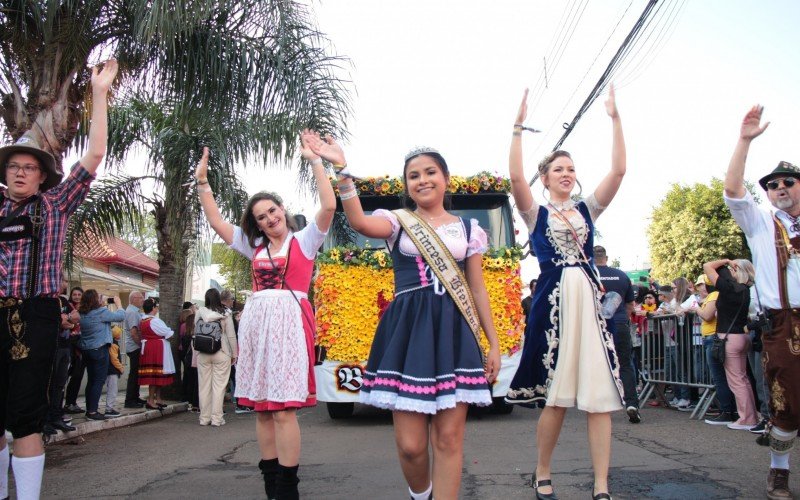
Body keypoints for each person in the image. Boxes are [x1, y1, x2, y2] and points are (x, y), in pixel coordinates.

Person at [307, 133, 502, 500]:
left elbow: (477, 289)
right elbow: (361, 224)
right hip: (409, 330)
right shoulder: (397, 221)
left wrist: (492, 343)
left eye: (430, 172)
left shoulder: (469, 230)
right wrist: (342, 169)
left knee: (448, 439)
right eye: (414, 175)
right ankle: (421, 495)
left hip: (454, 331)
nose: (423, 179)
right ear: (408, 186)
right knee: (411, 445)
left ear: (445, 178)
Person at [196, 131, 334, 500]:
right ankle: (271, 485)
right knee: (262, 409)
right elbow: (216, 223)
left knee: (285, 410)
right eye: (261, 216)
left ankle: (288, 489)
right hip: (258, 324)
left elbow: (329, 206)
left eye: (273, 210)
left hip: (290, 322)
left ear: (282, 210)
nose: (270, 218)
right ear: (256, 224)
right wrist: (203, 184)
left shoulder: (304, 240)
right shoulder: (253, 246)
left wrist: (316, 161)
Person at [0, 59, 116, 500]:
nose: (19, 172)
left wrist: (99, 95)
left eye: (29, 167)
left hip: (35, 314)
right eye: (13, 166)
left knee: (26, 414)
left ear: (42, 175)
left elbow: (94, 156)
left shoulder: (55, 205)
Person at [504, 85, 626, 500]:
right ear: (546, 178)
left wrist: (614, 119)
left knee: (600, 397)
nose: (566, 173)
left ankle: (602, 484)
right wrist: (518, 128)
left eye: (571, 168)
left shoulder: (588, 209)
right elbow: (516, 177)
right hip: (554, 303)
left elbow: (620, 172)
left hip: (588, 304)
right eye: (558, 169)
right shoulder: (536, 212)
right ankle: (541, 469)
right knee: (555, 399)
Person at [722, 105, 800, 500]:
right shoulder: (760, 221)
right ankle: (779, 472)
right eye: (772, 185)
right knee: (787, 403)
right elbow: (734, 188)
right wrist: (745, 140)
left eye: (788, 181)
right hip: (783, 324)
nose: (780, 188)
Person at [703, 258, 758, 431]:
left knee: (737, 381)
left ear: (737, 271)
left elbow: (707, 266)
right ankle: (751, 415)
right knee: (744, 379)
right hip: (742, 336)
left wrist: (726, 260)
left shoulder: (728, 289)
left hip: (729, 337)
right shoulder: (746, 290)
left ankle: (747, 418)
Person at [595, 246, 638, 424]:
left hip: (596, 326)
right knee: (625, 363)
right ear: (606, 257)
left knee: (597, 364)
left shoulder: (589, 274)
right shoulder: (621, 275)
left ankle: (599, 405)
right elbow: (630, 305)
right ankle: (631, 403)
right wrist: (622, 320)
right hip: (619, 323)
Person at [77, 290, 126, 421]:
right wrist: (119, 304)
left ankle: (90, 409)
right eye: (99, 297)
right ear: (95, 300)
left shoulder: (82, 313)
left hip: (87, 349)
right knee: (98, 381)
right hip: (100, 349)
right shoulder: (101, 312)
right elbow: (120, 316)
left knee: (91, 381)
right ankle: (93, 412)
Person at [196, 289, 238, 427]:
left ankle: (204, 418)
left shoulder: (200, 312)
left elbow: (194, 332)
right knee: (219, 387)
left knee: (204, 386)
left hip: (203, 353)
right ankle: (217, 418)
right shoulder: (225, 314)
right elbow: (231, 336)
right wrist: (234, 354)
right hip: (222, 351)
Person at [44, 280, 78, 435]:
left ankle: (56, 416)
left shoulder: (64, 301)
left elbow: (76, 318)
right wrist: (66, 321)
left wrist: (67, 321)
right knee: (48, 384)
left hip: (65, 346)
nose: (63, 283)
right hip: (51, 346)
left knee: (60, 383)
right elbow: (59, 322)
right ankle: (44, 419)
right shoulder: (46, 301)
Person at [138, 298, 175, 409]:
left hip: (150, 347)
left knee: (157, 374)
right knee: (154, 375)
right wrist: (168, 333)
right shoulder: (154, 321)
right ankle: (151, 400)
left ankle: (157, 398)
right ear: (153, 308)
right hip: (156, 349)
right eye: (156, 306)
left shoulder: (143, 320)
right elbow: (167, 333)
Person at [64, 286, 87, 414]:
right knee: (65, 375)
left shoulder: (86, 309)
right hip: (70, 344)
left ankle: (72, 402)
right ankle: (63, 403)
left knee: (78, 375)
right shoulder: (67, 307)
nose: (77, 297)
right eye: (75, 294)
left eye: (79, 294)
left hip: (82, 345)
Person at [123, 291, 146, 408]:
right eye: (141, 298)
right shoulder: (132, 312)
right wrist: (140, 344)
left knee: (137, 374)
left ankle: (135, 397)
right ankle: (130, 400)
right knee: (134, 374)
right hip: (134, 347)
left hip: (134, 346)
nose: (143, 299)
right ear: (133, 299)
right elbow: (133, 332)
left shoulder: (134, 311)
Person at [178, 301, 199, 409]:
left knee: (187, 377)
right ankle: (192, 399)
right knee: (193, 379)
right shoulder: (193, 335)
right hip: (192, 357)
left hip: (186, 356)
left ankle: (186, 396)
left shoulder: (183, 329)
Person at [104, 323, 124, 417]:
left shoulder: (112, 343)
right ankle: (109, 409)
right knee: (112, 390)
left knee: (111, 389)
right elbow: (114, 358)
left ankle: (109, 408)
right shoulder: (113, 345)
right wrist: (121, 368)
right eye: (119, 333)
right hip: (112, 371)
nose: (120, 335)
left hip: (110, 370)